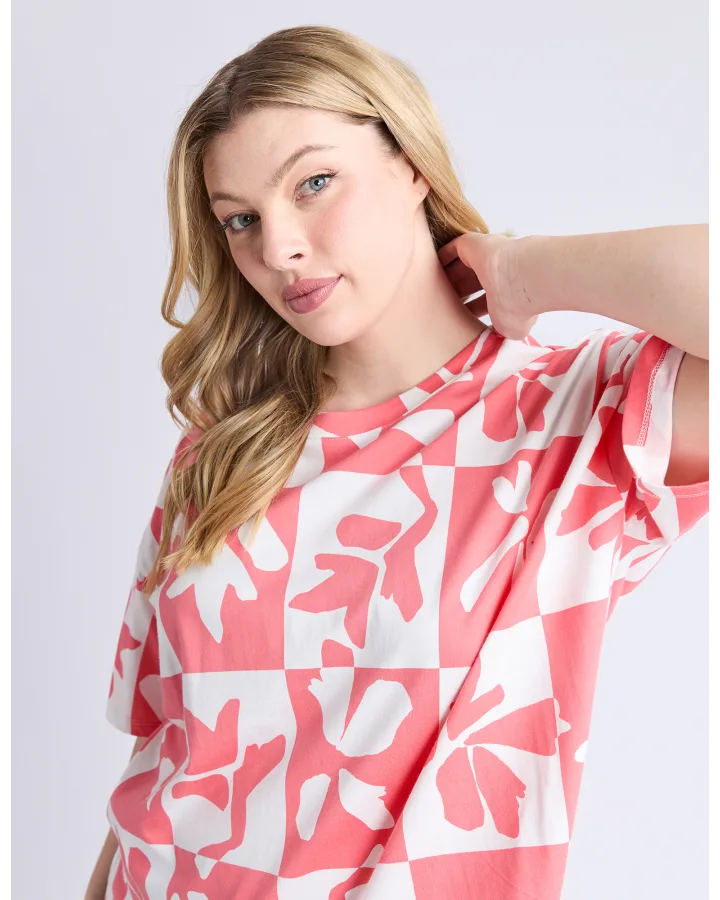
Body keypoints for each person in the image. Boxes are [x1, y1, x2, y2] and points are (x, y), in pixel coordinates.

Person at [85, 24, 711, 900]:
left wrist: (526, 271)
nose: (279, 248)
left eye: (313, 183)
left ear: (410, 162)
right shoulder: (221, 452)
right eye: (241, 219)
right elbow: (161, 754)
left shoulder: (576, 420)